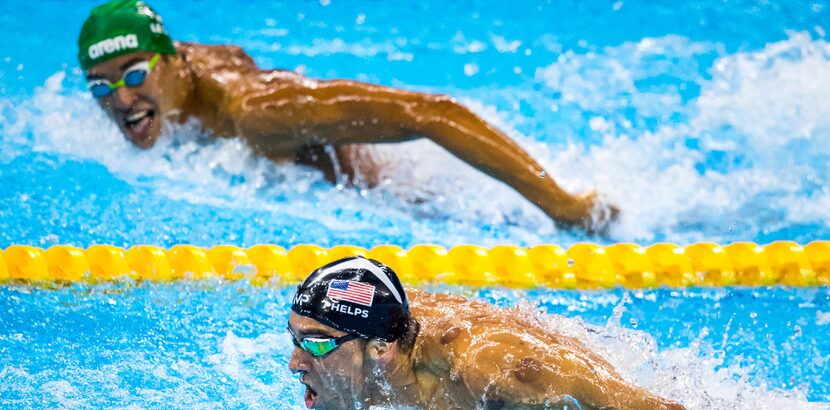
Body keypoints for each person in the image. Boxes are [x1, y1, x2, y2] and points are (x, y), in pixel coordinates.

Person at [77, 0, 616, 231]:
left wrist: (565, 206)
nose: (121, 103)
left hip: (404, 199)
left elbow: (433, 113)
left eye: (133, 76)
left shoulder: (258, 110)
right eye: (101, 86)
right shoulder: (176, 74)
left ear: (171, 61)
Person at [288, 256, 772, 410]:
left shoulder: (491, 374)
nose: (294, 362)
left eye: (314, 343)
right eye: (294, 338)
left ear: (381, 349)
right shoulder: (382, 333)